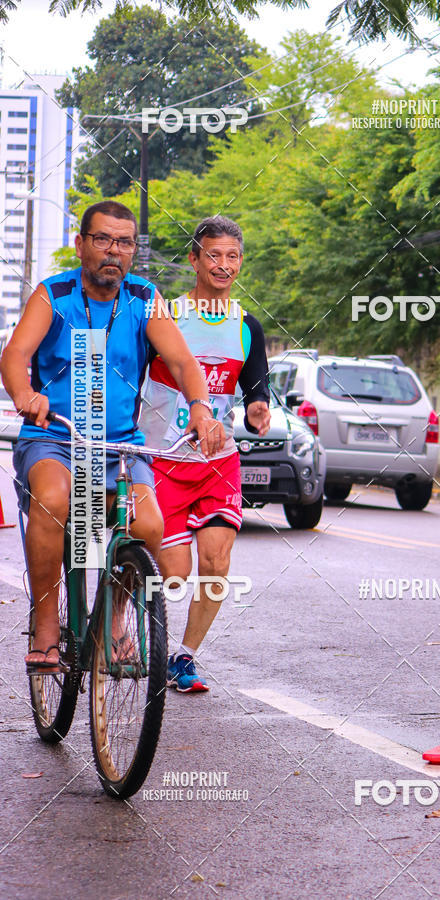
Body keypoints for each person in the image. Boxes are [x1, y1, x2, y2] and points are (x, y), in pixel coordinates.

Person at [0, 200, 224, 673]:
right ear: (80, 244)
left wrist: (201, 408)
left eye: (124, 243)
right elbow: (15, 354)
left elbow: (184, 363)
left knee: (147, 526)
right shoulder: (53, 293)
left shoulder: (144, 297)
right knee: (54, 499)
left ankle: (113, 620)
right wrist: (25, 394)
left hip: (118, 443)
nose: (113, 251)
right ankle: (45, 625)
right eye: (101, 239)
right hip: (54, 438)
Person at [139, 215, 270, 692]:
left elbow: (256, 385)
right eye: (213, 255)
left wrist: (258, 409)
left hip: (218, 461)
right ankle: (123, 611)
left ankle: (184, 657)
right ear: (194, 258)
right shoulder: (164, 316)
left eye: (232, 256)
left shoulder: (246, 326)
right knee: (173, 576)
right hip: (161, 459)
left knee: (216, 561)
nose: (223, 265)